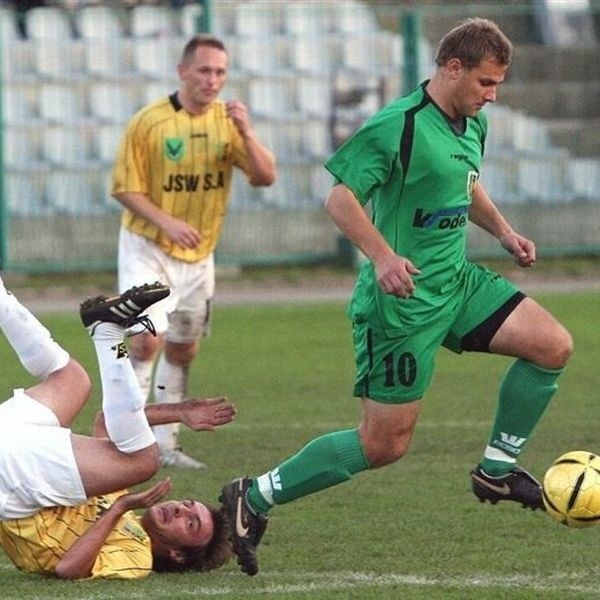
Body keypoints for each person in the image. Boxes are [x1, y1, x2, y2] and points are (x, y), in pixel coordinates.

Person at [218, 18, 574, 576]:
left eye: (498, 84)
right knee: (383, 446)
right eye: (485, 82)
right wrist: (382, 257)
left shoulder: (471, 123)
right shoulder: (397, 125)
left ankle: (497, 470)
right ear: (451, 68)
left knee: (552, 345)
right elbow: (339, 199)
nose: (493, 94)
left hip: (457, 283)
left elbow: (465, 182)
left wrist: (503, 232)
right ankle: (254, 494)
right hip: (403, 303)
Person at [111, 34, 276, 469]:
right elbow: (125, 188)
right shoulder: (150, 123)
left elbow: (264, 177)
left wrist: (247, 130)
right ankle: (126, 438)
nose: (213, 80)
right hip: (148, 247)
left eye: (220, 72)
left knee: (182, 349)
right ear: (183, 71)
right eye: (204, 70)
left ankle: (166, 443)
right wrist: (167, 221)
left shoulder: (228, 122)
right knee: (146, 341)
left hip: (199, 257)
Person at [0, 279, 237, 579]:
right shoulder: (115, 486)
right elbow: (105, 421)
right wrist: (178, 412)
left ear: (178, 555)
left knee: (143, 462)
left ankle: (108, 332)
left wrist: (120, 508)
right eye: (189, 505)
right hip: (18, 454)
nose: (181, 510)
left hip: (13, 488)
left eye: (190, 524)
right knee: (71, 379)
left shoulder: (137, 556)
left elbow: (68, 568)